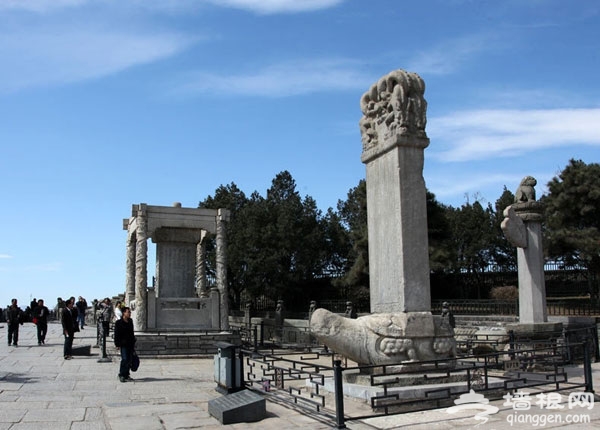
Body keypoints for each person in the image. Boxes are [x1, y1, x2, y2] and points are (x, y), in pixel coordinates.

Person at [114, 307, 136, 382]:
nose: (129, 314)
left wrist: (133, 341)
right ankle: (121, 374)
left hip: (130, 343)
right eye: (128, 312)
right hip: (123, 344)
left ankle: (126, 374)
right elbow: (116, 334)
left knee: (129, 359)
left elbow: (132, 332)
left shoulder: (130, 321)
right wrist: (117, 344)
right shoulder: (118, 323)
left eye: (130, 312)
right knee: (124, 359)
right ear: (124, 313)